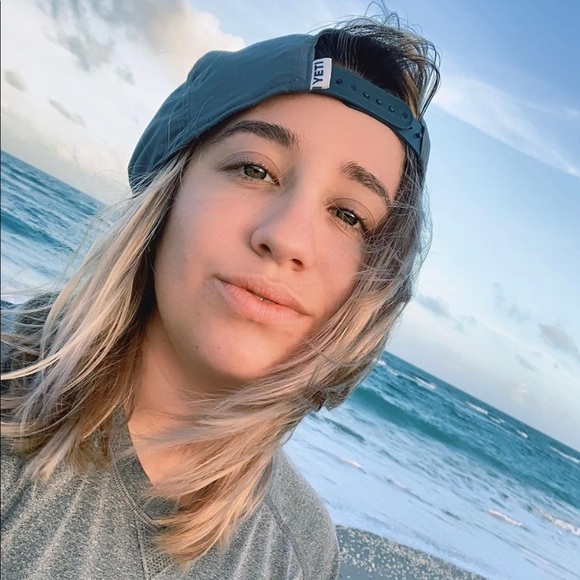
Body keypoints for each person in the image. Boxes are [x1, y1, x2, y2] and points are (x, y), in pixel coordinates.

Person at [1, 10, 440, 580]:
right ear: (170, 189)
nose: (286, 237)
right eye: (255, 170)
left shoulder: (302, 550)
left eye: (348, 215)